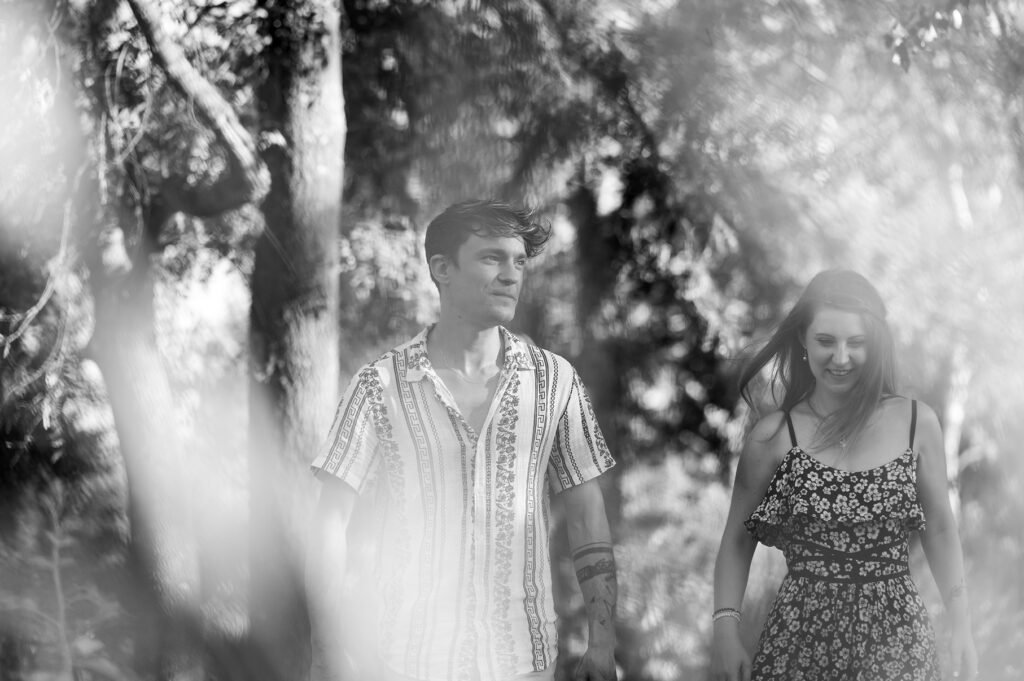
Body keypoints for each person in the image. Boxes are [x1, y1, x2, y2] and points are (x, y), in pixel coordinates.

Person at [307, 200, 619, 681]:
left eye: (519, 261)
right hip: (407, 660)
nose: (511, 275)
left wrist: (602, 641)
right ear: (442, 269)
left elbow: (587, 516)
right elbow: (329, 522)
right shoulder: (378, 386)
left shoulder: (555, 381)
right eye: (492, 258)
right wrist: (328, 646)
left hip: (524, 661)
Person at [710, 269, 978, 681]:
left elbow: (940, 528)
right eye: (825, 341)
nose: (840, 358)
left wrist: (961, 623)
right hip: (797, 645)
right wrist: (726, 633)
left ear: (876, 344)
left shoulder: (916, 422)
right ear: (802, 339)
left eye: (856, 343)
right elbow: (735, 542)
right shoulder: (773, 437)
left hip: (898, 645)